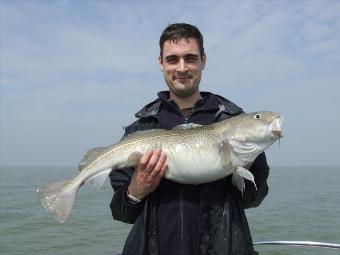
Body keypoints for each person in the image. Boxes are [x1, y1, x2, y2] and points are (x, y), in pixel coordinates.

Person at [109, 23, 270, 255]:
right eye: (173, 59)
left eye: (190, 58)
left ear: (203, 60)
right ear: (161, 63)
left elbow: (253, 199)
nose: (182, 67)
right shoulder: (141, 128)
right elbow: (121, 213)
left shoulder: (234, 122)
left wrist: (245, 163)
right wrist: (136, 189)